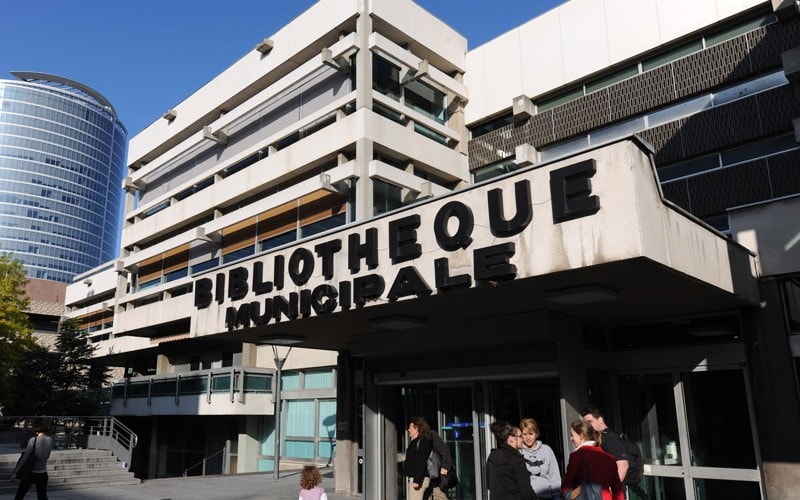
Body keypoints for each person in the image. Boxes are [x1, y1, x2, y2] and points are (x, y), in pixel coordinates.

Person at [561, 420, 623, 500]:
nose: (571, 438)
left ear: (581, 435)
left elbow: (567, 485)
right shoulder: (610, 458)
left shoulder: (577, 455)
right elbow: (618, 491)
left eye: (572, 435)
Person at [486, 421, 537, 500]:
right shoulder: (516, 459)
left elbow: (489, 485)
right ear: (511, 439)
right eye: (520, 436)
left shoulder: (493, 456)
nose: (523, 439)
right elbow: (527, 493)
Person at [581, 405, 629, 485]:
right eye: (585, 424)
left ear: (600, 420)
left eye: (589, 422)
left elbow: (623, 465)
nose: (587, 426)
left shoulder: (610, 437)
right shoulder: (597, 439)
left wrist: (610, 488)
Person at [11, 418, 53, 500]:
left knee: (20, 495)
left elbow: (25, 458)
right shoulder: (50, 440)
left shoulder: (33, 440)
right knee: (42, 496)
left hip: (30, 473)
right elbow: (47, 456)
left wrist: (15, 473)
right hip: (43, 473)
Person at [519, 417, 561, 499]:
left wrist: (557, 496)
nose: (528, 437)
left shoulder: (547, 450)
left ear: (536, 434)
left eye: (531, 434)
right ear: (521, 436)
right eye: (525, 434)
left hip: (547, 497)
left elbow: (554, 476)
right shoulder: (519, 452)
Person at [416, 417, 453, 500]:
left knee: (438, 494)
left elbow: (445, 449)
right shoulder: (417, 440)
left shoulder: (431, 435)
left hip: (434, 473)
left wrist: (445, 466)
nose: (408, 430)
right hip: (424, 475)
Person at [404, 416, 433, 500]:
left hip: (420, 480)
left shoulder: (422, 441)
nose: (408, 430)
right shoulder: (416, 442)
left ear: (416, 429)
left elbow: (422, 461)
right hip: (418, 478)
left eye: (410, 428)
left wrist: (417, 481)